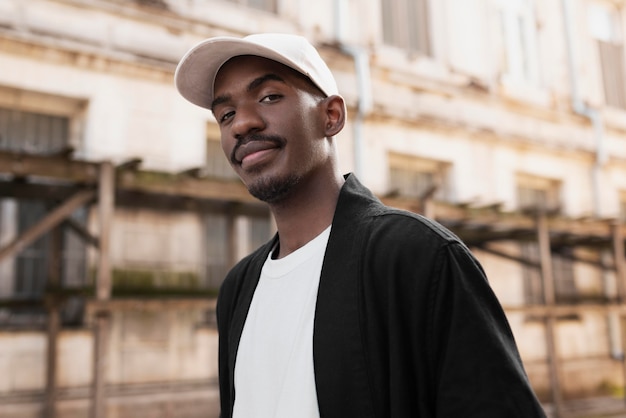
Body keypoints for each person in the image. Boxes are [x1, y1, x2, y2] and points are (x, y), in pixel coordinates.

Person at [175, 33, 546, 418]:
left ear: (330, 116)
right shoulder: (238, 287)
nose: (242, 124)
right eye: (226, 115)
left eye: (269, 96)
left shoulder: (418, 257)